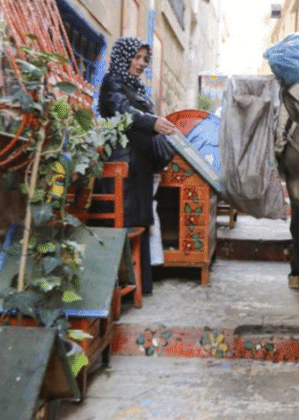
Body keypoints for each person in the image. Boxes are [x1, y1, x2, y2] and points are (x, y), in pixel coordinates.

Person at [97, 37, 176, 295]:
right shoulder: (113, 83)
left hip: (138, 169)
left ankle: (138, 288)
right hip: (122, 169)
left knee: (138, 223)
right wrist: (152, 121)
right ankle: (115, 290)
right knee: (121, 224)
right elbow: (121, 110)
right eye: (136, 57)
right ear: (124, 57)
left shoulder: (138, 88)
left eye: (145, 59)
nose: (141, 63)